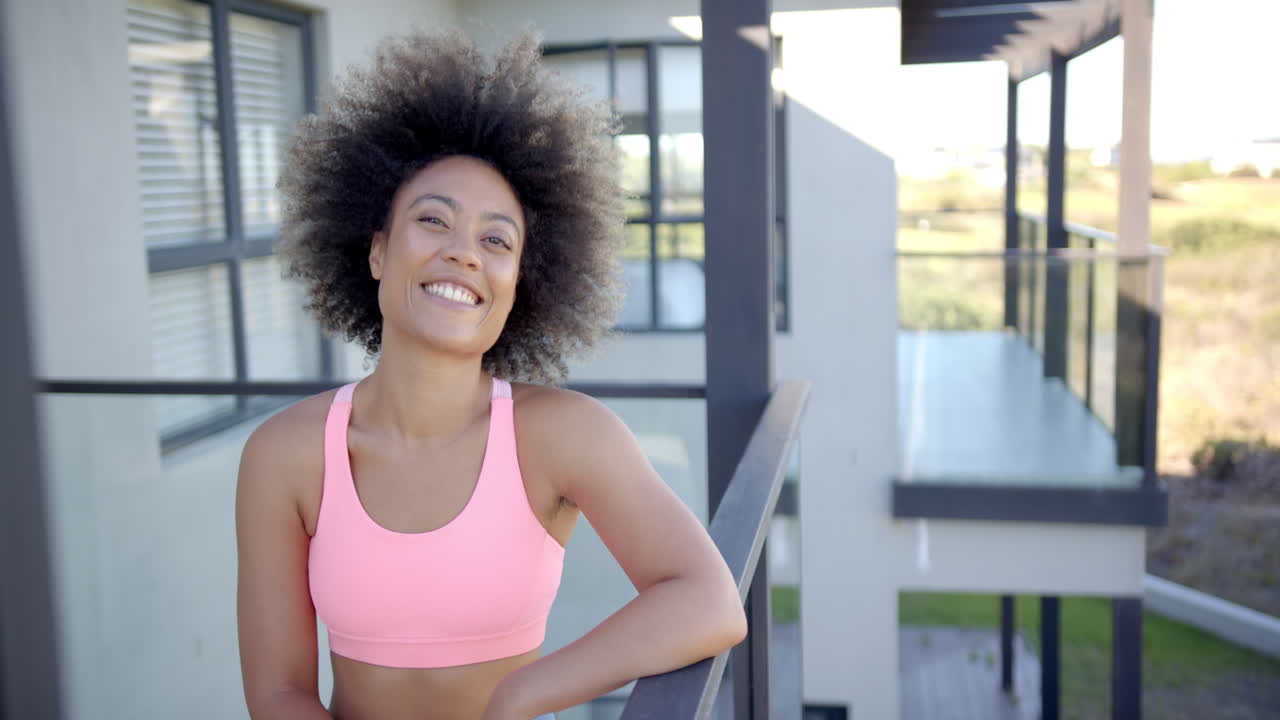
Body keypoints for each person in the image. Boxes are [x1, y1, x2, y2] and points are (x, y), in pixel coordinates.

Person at [235, 29, 746, 720]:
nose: (463, 254)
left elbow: (709, 600)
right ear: (377, 250)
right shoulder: (285, 455)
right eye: (433, 221)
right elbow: (278, 695)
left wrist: (522, 694)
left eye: (496, 239)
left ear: (521, 282)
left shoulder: (562, 434)